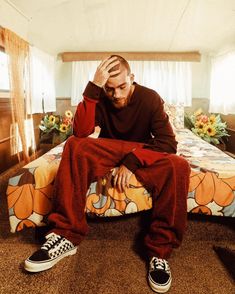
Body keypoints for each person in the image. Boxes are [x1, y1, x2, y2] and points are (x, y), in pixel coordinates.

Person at [24, 55, 190, 293]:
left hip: (139, 154)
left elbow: (167, 142)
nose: (117, 95)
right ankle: (65, 235)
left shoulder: (150, 98)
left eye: (122, 86)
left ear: (132, 78)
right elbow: (81, 132)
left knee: (179, 165)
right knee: (75, 145)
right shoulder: (100, 95)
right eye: (110, 89)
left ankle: (159, 252)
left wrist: (131, 162)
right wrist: (93, 89)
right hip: (110, 150)